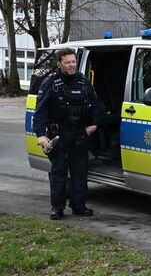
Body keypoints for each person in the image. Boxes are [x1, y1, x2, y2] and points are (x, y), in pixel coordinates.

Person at [34, 48, 100, 220]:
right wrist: (41, 135)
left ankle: (79, 206)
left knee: (80, 172)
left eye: (73, 62)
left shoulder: (84, 82)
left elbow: (95, 105)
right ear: (59, 64)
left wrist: (94, 125)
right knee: (59, 174)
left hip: (79, 133)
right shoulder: (50, 83)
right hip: (59, 135)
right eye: (68, 62)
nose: (72, 65)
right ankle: (57, 208)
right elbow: (40, 111)